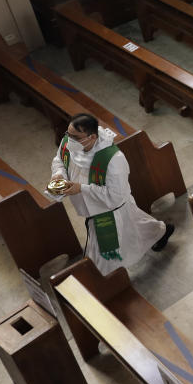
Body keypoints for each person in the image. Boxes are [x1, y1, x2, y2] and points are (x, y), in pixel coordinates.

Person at [51, 113, 174, 275]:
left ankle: (106, 284)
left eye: (75, 137)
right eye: (68, 134)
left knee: (103, 260)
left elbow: (116, 196)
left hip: (108, 213)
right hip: (100, 208)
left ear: (92, 136)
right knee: (134, 226)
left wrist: (81, 188)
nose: (68, 140)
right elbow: (60, 160)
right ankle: (161, 232)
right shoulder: (70, 142)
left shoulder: (113, 159)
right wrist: (59, 174)